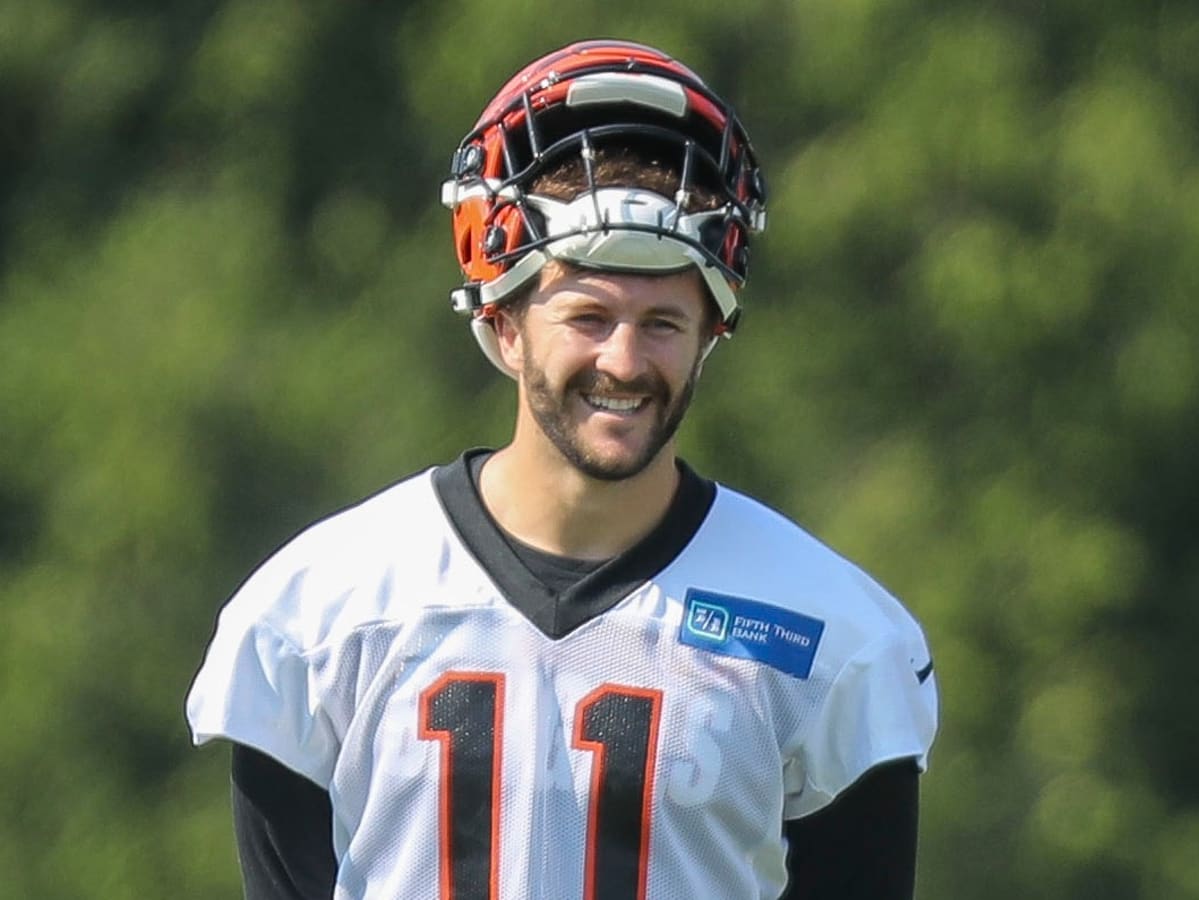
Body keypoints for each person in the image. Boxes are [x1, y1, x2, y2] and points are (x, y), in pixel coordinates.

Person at [186, 39, 938, 900]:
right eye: (587, 314)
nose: (623, 360)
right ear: (504, 323)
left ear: (712, 334)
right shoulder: (325, 613)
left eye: (663, 321)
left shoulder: (827, 636)